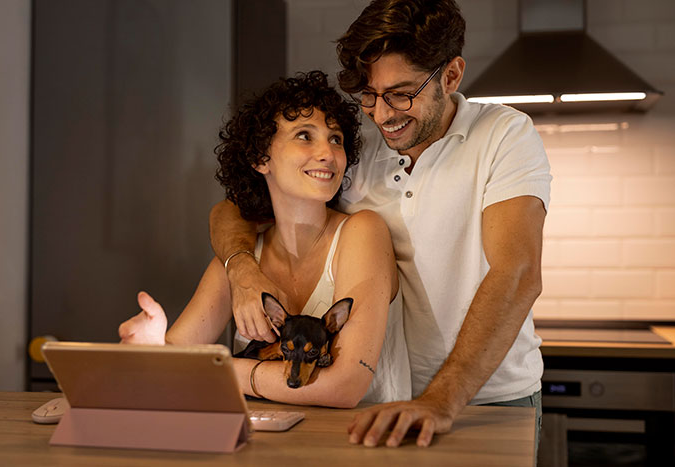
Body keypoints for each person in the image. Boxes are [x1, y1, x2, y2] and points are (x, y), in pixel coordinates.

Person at [209, 0, 551, 451]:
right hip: (379, 400)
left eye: (401, 93)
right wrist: (241, 269)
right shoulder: (362, 149)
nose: (383, 114)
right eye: (369, 96)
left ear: (450, 76)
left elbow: (517, 273)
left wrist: (439, 402)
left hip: (485, 401)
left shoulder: (504, 135)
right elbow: (234, 207)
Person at [118, 70, 411, 407]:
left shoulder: (362, 232)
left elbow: (343, 387)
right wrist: (148, 353)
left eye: (336, 139)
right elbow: (170, 365)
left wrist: (211, 370)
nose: (328, 153)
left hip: (361, 446)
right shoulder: (237, 261)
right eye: (304, 135)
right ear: (260, 158)